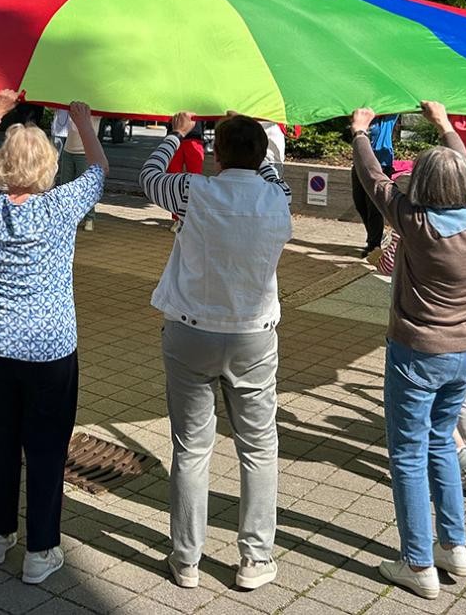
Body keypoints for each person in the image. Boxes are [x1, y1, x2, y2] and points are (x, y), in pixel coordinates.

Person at [140, 111, 293, 592]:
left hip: (191, 329)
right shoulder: (278, 197)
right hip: (253, 334)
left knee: (190, 448)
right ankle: (255, 557)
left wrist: (174, 135)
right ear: (262, 155)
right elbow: (267, 171)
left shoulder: (194, 191)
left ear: (218, 154)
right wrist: (262, 148)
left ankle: (186, 559)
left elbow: (149, 179)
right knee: (259, 447)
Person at [0, 92, 107, 586]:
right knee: (46, 448)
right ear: (47, 165)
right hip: (49, 348)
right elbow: (99, 168)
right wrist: (83, 122)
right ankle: (41, 549)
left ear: (5, 163)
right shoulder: (62, 205)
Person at [351, 101, 466, 601]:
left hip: (418, 355)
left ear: (423, 187)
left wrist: (360, 132)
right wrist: (446, 125)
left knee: (408, 455)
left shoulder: (415, 222)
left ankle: (417, 563)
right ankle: (454, 546)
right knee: (439, 445)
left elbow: (373, 178)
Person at [377, 181, 466, 505]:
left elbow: (387, 265)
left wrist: (378, 251)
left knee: (433, 401)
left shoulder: (414, 224)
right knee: (463, 392)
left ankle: (463, 458)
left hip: (462, 325)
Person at [351, 113, 398, 257]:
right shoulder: (362, 119)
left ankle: (373, 245)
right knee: (360, 203)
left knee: (374, 206)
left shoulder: (388, 118)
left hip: (382, 165)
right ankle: (377, 234)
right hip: (360, 163)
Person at [58, 112, 103, 232]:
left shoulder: (95, 111)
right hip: (68, 151)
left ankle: (89, 218)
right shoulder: (72, 108)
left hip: (85, 153)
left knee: (85, 188)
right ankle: (66, 217)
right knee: (65, 186)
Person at [165, 121, 206, 231]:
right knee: (173, 180)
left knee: (195, 181)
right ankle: (177, 218)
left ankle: (191, 218)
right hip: (175, 136)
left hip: (193, 137)